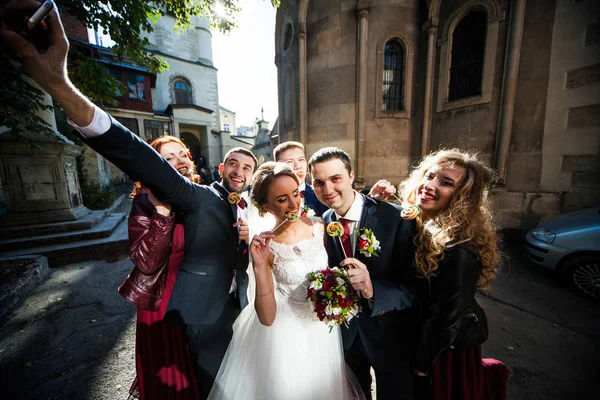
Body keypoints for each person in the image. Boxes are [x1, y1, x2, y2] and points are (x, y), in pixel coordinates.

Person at [1, 6, 256, 397]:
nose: (239, 170)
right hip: (182, 308)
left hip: (235, 310)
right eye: (233, 162)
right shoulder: (194, 196)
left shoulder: (246, 202)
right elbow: (134, 153)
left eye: (247, 165)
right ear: (220, 166)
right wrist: (60, 86)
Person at [208, 162, 364, 400]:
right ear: (264, 206)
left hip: (323, 333)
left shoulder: (321, 228)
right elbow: (267, 318)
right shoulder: (266, 247)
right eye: (282, 199)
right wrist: (260, 266)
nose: (294, 204)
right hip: (285, 338)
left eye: (296, 194)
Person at [309, 147, 417, 399]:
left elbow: (413, 289)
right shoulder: (325, 219)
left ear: (351, 176)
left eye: (335, 179)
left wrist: (372, 289)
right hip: (347, 337)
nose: (327, 190)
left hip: (389, 335)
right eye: (318, 182)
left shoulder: (396, 218)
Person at [398, 149, 501, 400]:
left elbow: (445, 320)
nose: (429, 185)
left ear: (462, 197)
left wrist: (422, 366)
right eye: (429, 175)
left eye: (445, 182)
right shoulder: (421, 223)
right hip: (418, 337)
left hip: (442, 353)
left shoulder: (459, 251)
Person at [119, 136, 201, 399]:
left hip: (197, 291)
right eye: (168, 158)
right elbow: (147, 262)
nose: (179, 162)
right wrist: (162, 214)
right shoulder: (145, 200)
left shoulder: (199, 194)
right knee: (173, 374)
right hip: (165, 296)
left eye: (182, 155)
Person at [273, 141, 397, 216]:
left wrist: (370, 200)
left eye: (301, 160)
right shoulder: (271, 201)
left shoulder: (321, 195)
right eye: (289, 162)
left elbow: (347, 208)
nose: (297, 166)